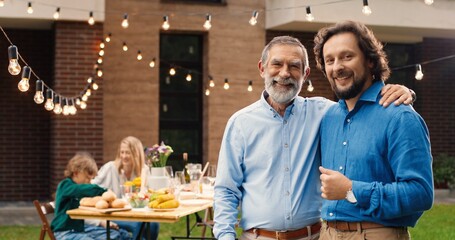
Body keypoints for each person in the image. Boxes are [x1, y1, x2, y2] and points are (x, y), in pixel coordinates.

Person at [213, 35, 415, 240]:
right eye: (277, 64)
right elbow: (226, 190)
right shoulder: (240, 123)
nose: (284, 73)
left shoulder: (325, 113)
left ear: (305, 73)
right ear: (262, 68)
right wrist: (225, 236)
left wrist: (404, 92)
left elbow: (362, 107)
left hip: (315, 236)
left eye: (294, 66)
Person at [313, 20, 433, 240]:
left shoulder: (399, 116)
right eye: (329, 60)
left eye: (347, 56)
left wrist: (352, 190)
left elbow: (421, 194)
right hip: (327, 233)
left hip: (376, 234)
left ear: (370, 60)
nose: (337, 66)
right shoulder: (328, 117)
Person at [92, 136, 160, 240]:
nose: (124, 156)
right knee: (140, 225)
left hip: (137, 213)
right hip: (115, 214)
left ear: (136, 154)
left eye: (128, 153)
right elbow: (91, 187)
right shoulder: (110, 168)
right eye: (122, 152)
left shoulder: (144, 171)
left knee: (154, 224)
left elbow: (153, 193)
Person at [51, 152, 131, 240]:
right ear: (76, 173)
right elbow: (82, 189)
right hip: (65, 232)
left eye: (91, 179)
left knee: (120, 234)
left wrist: (100, 222)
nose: (89, 182)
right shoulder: (65, 186)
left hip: (80, 229)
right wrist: (103, 191)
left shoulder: (78, 190)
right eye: (87, 178)